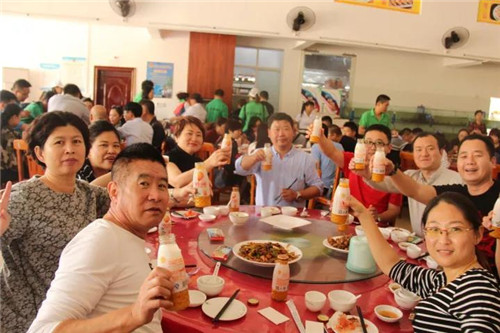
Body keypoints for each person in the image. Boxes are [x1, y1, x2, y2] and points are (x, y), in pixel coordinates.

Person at [28, 143, 175, 333]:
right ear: (114, 191)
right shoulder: (99, 240)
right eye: (144, 184)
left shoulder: (128, 235)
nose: (155, 195)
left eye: (162, 185)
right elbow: (42, 330)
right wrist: (133, 314)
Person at [0, 112, 110, 333]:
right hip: (30, 317)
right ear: (40, 153)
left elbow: (124, 201)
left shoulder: (87, 193)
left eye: (77, 141)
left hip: (75, 307)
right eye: (59, 142)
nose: (70, 149)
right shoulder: (23, 198)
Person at [347, 192, 500, 332]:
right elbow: (392, 265)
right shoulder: (442, 280)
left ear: (477, 235)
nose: (443, 239)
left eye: (455, 229)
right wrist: (364, 215)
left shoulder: (476, 291)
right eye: (434, 229)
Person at [377, 133, 498, 274]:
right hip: (456, 276)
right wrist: (392, 171)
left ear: (493, 161)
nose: (470, 161)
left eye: (477, 155)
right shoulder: (456, 194)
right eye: (463, 156)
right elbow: (416, 191)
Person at [364, 132, 463, 236]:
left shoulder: (456, 180)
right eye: (418, 150)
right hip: (418, 241)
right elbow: (386, 184)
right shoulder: (410, 176)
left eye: (430, 148)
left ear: (441, 152)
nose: (424, 154)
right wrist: (367, 175)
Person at [314, 123, 402, 226]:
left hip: (375, 227)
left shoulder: (394, 174)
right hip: (347, 221)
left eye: (379, 143)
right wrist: (319, 136)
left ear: (389, 148)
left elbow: (394, 210)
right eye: (368, 142)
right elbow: (331, 152)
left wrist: (378, 216)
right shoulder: (354, 162)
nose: (372, 147)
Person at [235, 112, 322, 207]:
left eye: (286, 129)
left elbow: (318, 187)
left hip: (294, 218)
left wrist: (298, 194)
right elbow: (239, 168)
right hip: (265, 215)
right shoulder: (261, 154)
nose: (281, 134)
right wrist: (253, 158)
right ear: (269, 133)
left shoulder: (305, 158)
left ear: (293, 132)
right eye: (276, 129)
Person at [167, 116, 230, 188]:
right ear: (176, 137)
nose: (194, 139)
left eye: (198, 135)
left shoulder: (198, 162)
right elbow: (177, 182)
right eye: (189, 133)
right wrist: (209, 163)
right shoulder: (167, 159)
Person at [311, 126, 344, 196]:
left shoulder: (316, 146)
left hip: (322, 187)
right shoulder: (340, 146)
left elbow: (315, 168)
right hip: (336, 186)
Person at [1, 104, 22, 184]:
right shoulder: (11, 135)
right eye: (20, 117)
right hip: (5, 172)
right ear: (14, 117)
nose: (20, 120)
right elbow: (13, 164)